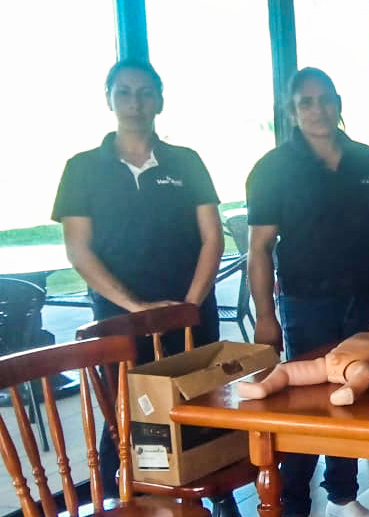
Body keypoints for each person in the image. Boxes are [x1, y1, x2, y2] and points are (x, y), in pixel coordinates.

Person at [51, 59, 225, 506]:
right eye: (124, 92)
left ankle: (214, 496)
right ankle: (130, 502)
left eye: (145, 92)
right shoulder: (82, 168)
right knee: (128, 424)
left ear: (160, 101)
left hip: (191, 317)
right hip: (118, 325)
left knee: (203, 414)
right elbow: (79, 250)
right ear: (108, 98)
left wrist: (186, 306)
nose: (134, 102)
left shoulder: (187, 162)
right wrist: (134, 309)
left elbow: (212, 238)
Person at [247, 67, 369, 517]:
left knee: (353, 398)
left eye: (325, 99)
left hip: (366, 301)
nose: (317, 109)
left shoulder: (367, 160)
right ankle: (292, 504)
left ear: (339, 103)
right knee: (307, 407)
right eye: (306, 102)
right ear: (292, 111)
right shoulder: (272, 169)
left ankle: (343, 496)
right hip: (307, 304)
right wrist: (266, 317)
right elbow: (259, 250)